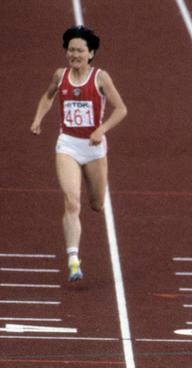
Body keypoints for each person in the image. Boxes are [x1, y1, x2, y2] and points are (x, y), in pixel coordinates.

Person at [30, 26, 127, 282]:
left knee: (96, 204)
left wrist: (101, 129)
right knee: (72, 202)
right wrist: (38, 118)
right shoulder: (60, 75)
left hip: (94, 149)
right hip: (68, 145)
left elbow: (121, 109)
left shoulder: (100, 78)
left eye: (80, 51)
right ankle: (73, 259)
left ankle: (91, 188)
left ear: (91, 53)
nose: (75, 55)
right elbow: (47, 96)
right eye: (71, 50)